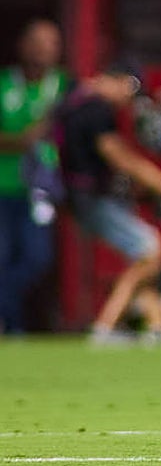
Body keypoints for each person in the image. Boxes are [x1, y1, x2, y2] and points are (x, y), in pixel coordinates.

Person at [56, 61, 161, 343]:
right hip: (91, 196)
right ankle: (106, 326)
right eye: (131, 89)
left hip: (77, 194)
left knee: (141, 259)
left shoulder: (73, 101)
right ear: (119, 80)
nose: (129, 100)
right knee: (150, 250)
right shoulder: (96, 108)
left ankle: (159, 325)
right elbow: (119, 156)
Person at [0, 20, 68, 334]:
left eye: (51, 43)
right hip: (3, 186)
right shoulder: (4, 85)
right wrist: (22, 139)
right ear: (22, 46)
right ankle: (13, 329)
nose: (43, 50)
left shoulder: (65, 86)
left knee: (37, 259)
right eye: (36, 42)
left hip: (39, 191)